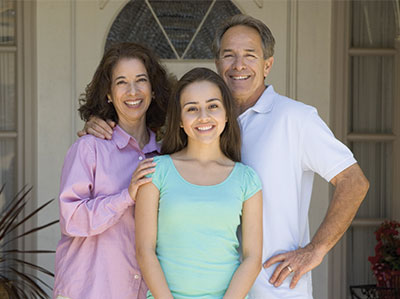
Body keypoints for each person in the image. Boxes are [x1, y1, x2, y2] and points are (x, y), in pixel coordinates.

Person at [79, 14, 369, 299]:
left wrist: (314, 250)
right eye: (229, 55)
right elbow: (145, 120)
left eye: (250, 55)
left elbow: (354, 182)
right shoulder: (205, 125)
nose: (238, 65)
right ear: (217, 64)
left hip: (276, 288)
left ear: (268, 64)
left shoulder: (296, 119)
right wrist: (100, 123)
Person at [54, 42, 171, 299]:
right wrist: (126, 196)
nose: (132, 91)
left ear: (153, 89)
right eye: (121, 82)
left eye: (141, 80)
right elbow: (71, 219)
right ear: (108, 93)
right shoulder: (89, 149)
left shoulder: (167, 156)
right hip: (90, 291)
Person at [135, 67, 263, 299]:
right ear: (181, 121)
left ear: (226, 114)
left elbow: (252, 257)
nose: (203, 116)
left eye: (213, 106)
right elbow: (144, 251)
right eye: (192, 109)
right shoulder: (156, 171)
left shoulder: (246, 179)